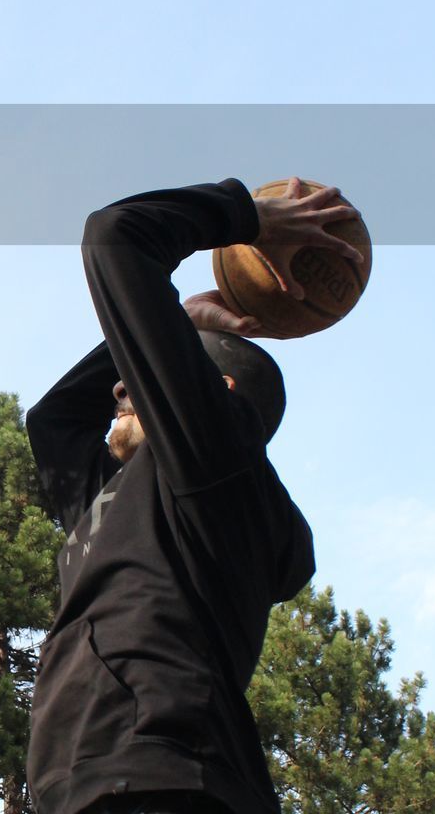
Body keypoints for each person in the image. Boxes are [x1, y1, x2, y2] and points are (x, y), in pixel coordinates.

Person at [26, 177, 362, 814]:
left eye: (139, 383)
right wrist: (177, 321)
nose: (120, 392)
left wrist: (247, 218)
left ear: (222, 396)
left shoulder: (211, 464)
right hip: (97, 784)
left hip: (164, 780)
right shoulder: (120, 502)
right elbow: (54, 423)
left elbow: (115, 236)